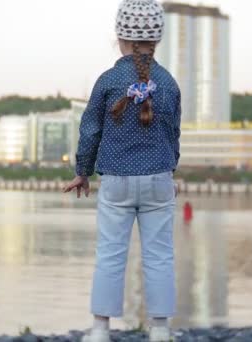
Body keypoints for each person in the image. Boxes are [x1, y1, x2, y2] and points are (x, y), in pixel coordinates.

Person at [62, 0, 181, 341]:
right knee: (159, 256)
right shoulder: (169, 83)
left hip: (116, 180)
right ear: (157, 39)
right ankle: (159, 330)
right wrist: (170, 168)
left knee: (110, 255)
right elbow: (173, 133)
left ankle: (100, 330)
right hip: (158, 179)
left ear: (120, 37)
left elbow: (90, 131)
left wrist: (83, 171)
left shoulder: (108, 80)